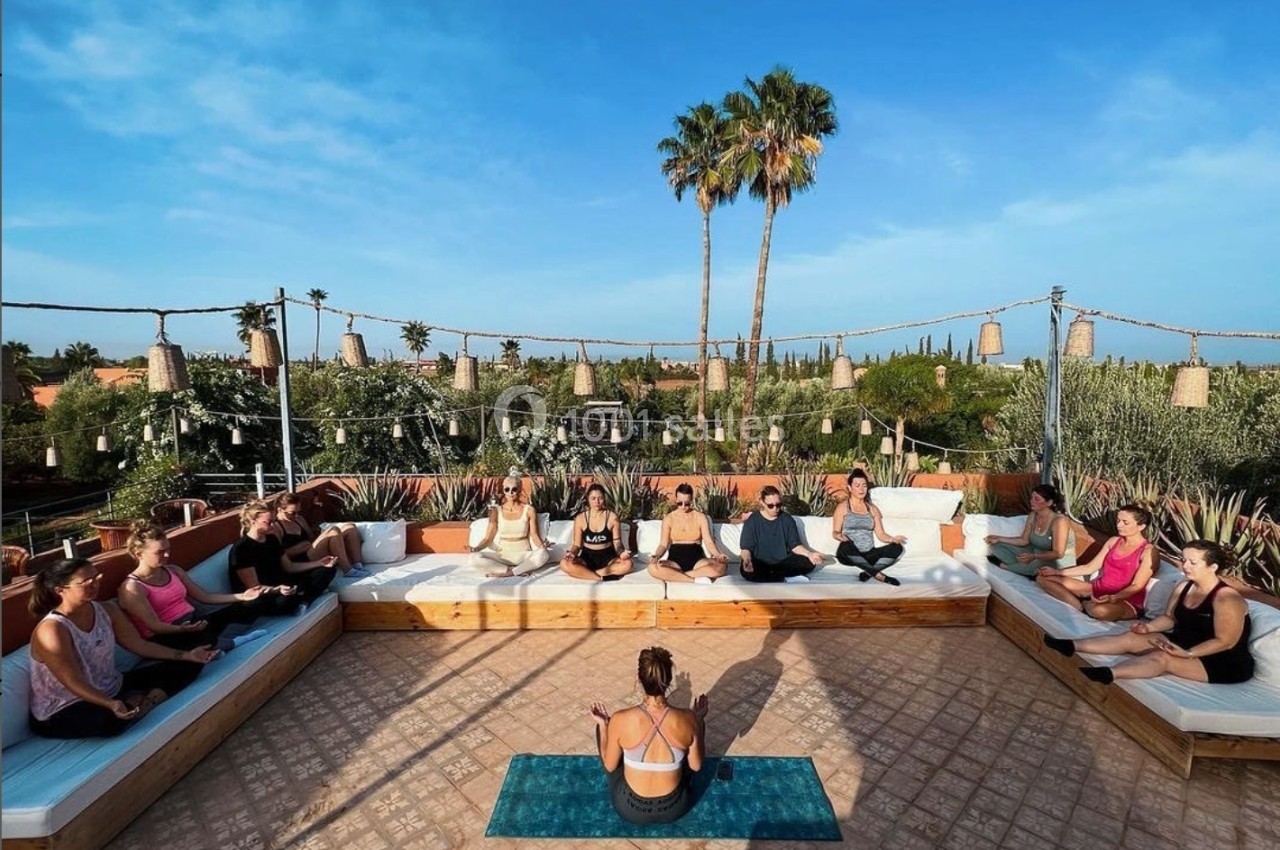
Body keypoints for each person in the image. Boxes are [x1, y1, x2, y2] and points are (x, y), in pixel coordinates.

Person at [27, 558, 219, 739]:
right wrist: (109, 703)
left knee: (189, 664)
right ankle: (133, 703)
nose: (95, 585)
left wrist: (186, 655)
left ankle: (146, 702)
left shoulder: (107, 610)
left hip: (111, 685)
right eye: (86, 582)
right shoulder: (52, 629)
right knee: (109, 722)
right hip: (65, 705)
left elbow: (140, 645)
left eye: (96, 578)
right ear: (60, 590)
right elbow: (71, 681)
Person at [1043, 540, 1254, 686]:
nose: (1185, 566)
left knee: (1162, 658)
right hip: (1184, 641)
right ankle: (1070, 645)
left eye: (1193, 562)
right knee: (1132, 637)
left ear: (1213, 567)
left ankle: (1110, 674)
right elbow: (1169, 618)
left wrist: (1188, 654)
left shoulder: (1226, 599)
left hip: (1222, 661)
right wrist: (1149, 627)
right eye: (1183, 560)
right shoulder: (1184, 586)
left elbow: (1225, 642)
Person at [589, 646, 707, 825]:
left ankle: (604, 729)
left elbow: (610, 766)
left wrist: (604, 726)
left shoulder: (620, 719)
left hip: (631, 809)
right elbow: (696, 766)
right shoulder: (688, 718)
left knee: (606, 734)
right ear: (668, 681)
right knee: (694, 733)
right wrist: (699, 721)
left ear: (638, 680)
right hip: (675, 808)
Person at [118, 522, 277, 652]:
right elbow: (154, 627)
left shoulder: (173, 570)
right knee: (199, 638)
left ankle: (219, 644)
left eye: (168, 549)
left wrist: (242, 596)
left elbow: (205, 597)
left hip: (194, 622)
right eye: (160, 552)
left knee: (254, 603)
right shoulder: (133, 588)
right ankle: (231, 642)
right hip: (169, 634)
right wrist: (182, 629)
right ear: (139, 554)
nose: (167, 555)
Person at [1036, 504, 1156, 621]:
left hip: (1125, 600)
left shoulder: (1148, 551)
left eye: (1125, 522)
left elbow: (1137, 585)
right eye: (1118, 520)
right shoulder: (1113, 541)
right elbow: (1089, 567)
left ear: (1141, 526)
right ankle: (1079, 606)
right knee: (1043, 579)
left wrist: (1113, 597)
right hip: (1095, 589)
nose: (1119, 525)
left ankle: (1087, 604)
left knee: (1100, 611)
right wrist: (1056, 572)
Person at [228, 500, 336, 610]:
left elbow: (289, 567)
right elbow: (254, 587)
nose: (273, 526)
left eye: (274, 521)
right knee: (284, 600)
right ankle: (302, 597)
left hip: (282, 583)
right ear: (253, 521)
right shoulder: (242, 548)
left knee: (327, 570)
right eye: (268, 522)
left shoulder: (271, 539)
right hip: (265, 592)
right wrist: (276, 589)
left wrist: (319, 563)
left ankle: (304, 599)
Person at [464, 475, 551, 577]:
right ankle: (511, 570)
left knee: (543, 554)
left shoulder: (529, 510)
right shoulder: (496, 511)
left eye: (514, 489)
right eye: (507, 489)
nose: (511, 492)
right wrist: (475, 549)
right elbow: (487, 538)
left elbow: (534, 534)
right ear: (503, 491)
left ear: (520, 490)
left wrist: (542, 546)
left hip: (523, 554)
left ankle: (509, 573)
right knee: (473, 559)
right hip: (502, 555)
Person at [831, 469, 907, 586]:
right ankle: (879, 575)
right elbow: (835, 532)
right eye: (857, 485)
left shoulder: (872, 509)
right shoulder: (843, 507)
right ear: (850, 488)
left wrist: (892, 539)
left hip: (868, 554)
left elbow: (881, 534)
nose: (861, 489)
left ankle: (868, 572)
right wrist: (839, 535)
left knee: (897, 548)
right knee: (845, 545)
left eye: (864, 485)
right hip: (849, 554)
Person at [984, 484, 1077, 577]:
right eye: (1032, 497)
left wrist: (1033, 556)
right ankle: (1023, 568)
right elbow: (1024, 540)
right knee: (997, 545)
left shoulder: (1059, 521)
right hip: (1034, 554)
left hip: (1057, 561)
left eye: (1036, 499)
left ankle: (1005, 566)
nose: (1032, 501)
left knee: (1038, 563)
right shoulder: (1033, 515)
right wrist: (999, 539)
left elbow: (1058, 554)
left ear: (1049, 503)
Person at [647, 483, 730, 585]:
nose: (683, 507)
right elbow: (663, 544)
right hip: (675, 560)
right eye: (679, 503)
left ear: (691, 501)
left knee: (722, 567)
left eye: (687, 503)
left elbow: (708, 541)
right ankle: (694, 579)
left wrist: (718, 555)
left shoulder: (700, 517)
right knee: (652, 568)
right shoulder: (669, 518)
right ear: (676, 499)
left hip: (697, 559)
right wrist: (656, 556)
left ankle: (677, 576)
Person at [739, 486, 825, 583]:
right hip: (760, 562)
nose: (775, 508)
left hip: (783, 562)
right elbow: (746, 548)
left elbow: (795, 546)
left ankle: (772, 576)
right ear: (762, 502)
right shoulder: (752, 521)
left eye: (778, 505)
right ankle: (784, 578)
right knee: (746, 570)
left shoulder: (787, 519)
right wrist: (747, 560)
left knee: (809, 561)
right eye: (770, 506)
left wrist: (810, 554)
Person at [274, 492, 368, 579]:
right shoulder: (277, 527)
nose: (296, 515)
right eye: (292, 513)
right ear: (280, 510)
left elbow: (312, 538)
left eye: (298, 512)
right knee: (333, 530)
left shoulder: (299, 520)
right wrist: (299, 548)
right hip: (301, 559)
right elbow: (278, 554)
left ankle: (358, 565)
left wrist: (326, 540)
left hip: (311, 550)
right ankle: (347, 570)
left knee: (350, 527)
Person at [559, 483, 633, 582]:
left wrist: (621, 553)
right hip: (587, 558)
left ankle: (586, 573)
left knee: (628, 564)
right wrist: (572, 553)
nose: (597, 502)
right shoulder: (580, 518)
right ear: (588, 499)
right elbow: (577, 544)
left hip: (608, 558)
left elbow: (617, 542)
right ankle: (600, 578)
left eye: (600, 498)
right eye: (593, 498)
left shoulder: (612, 517)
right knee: (564, 564)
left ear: (604, 498)